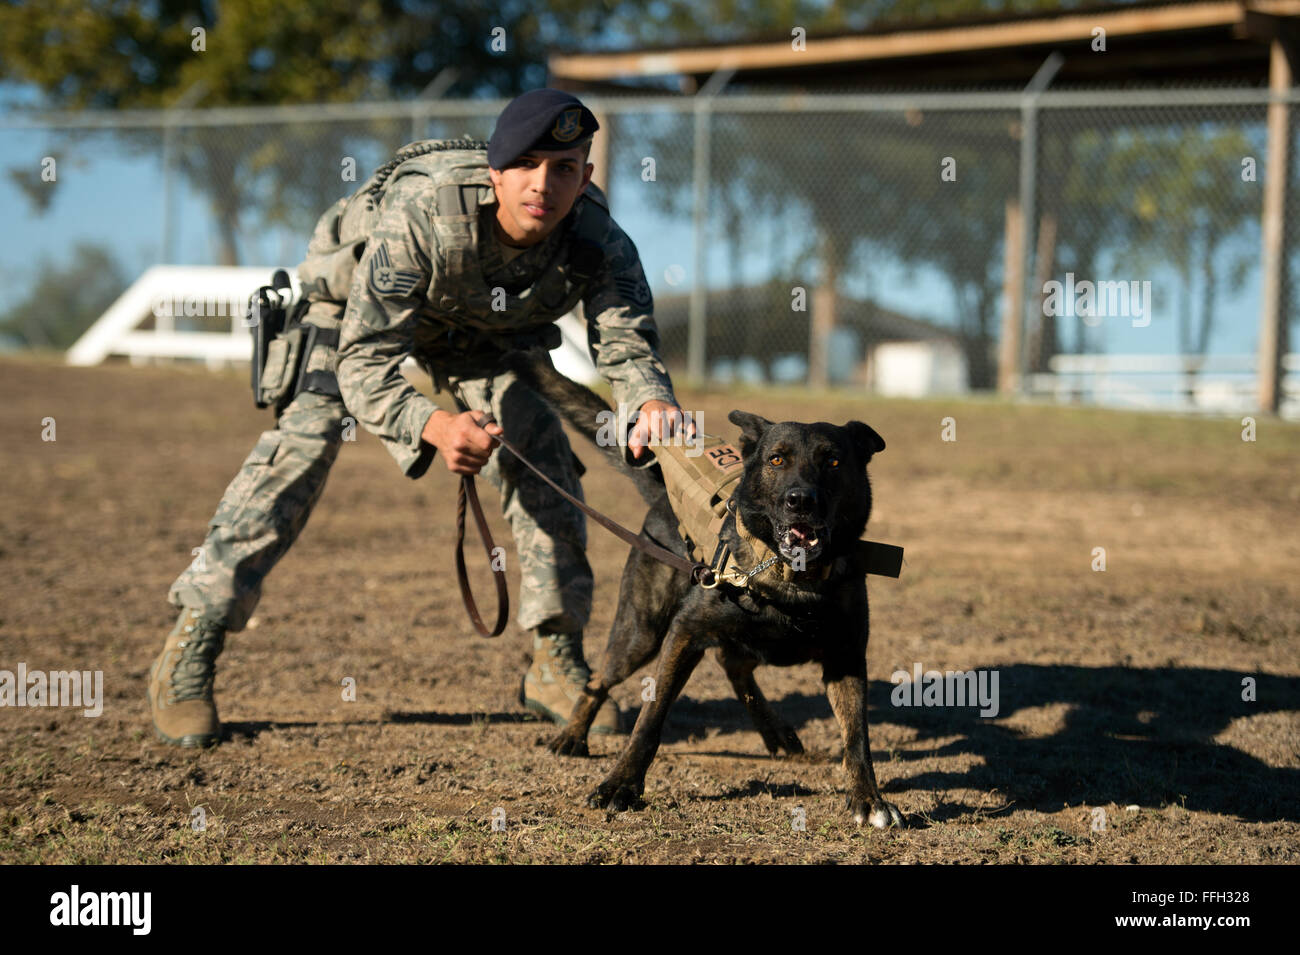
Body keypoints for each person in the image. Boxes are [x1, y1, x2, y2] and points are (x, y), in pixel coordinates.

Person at [149, 88, 689, 747]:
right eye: (527, 164)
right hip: (349, 321)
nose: (544, 184)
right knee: (306, 441)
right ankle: (191, 644)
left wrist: (650, 399)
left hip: (481, 339)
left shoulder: (598, 237)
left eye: (565, 168)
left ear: (587, 176)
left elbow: (627, 341)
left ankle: (555, 658)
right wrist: (435, 426)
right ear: (496, 169)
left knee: (540, 443)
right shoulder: (425, 211)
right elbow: (365, 360)